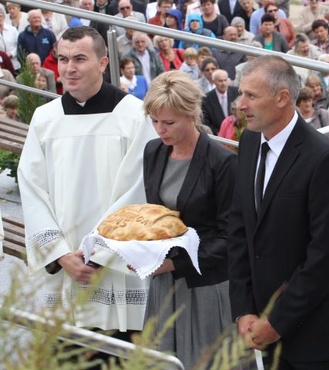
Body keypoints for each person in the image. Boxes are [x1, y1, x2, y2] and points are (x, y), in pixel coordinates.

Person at [17, 26, 156, 365]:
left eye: (80, 59)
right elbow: (32, 189)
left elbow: (138, 189)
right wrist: (60, 254)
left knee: (117, 356)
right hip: (64, 268)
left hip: (115, 268)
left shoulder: (134, 116)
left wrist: (98, 253)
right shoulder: (44, 119)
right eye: (62, 59)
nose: (69, 68)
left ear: (103, 62)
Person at [228, 55, 329, 369]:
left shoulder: (324, 159)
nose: (240, 104)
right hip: (262, 332)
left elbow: (324, 255)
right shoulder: (249, 143)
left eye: (250, 96)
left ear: (283, 98)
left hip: (312, 340)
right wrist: (244, 310)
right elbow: (240, 231)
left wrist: (277, 322)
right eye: (241, 93)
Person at [142, 70, 236, 369]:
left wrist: (175, 263)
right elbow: (157, 216)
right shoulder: (153, 151)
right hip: (164, 283)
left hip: (206, 286)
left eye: (168, 122)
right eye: (154, 121)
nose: (160, 130)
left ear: (192, 115)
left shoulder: (222, 162)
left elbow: (230, 237)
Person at [202, 69, 239, 135]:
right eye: (220, 81)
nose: (223, 83)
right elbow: (206, 122)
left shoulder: (236, 92)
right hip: (218, 137)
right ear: (214, 81)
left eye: (225, 80)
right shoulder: (206, 99)